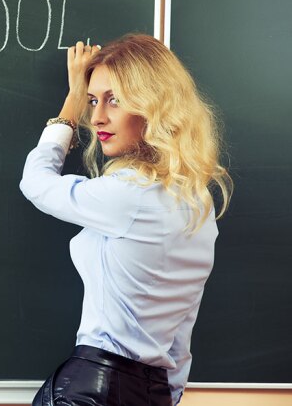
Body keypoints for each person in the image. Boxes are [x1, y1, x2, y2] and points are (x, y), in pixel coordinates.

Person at [19, 33, 233, 406]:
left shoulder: (128, 195)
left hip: (92, 387)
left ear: (153, 105)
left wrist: (69, 105)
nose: (97, 116)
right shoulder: (198, 203)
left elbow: (36, 183)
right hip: (153, 391)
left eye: (114, 100)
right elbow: (182, 332)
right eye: (91, 100)